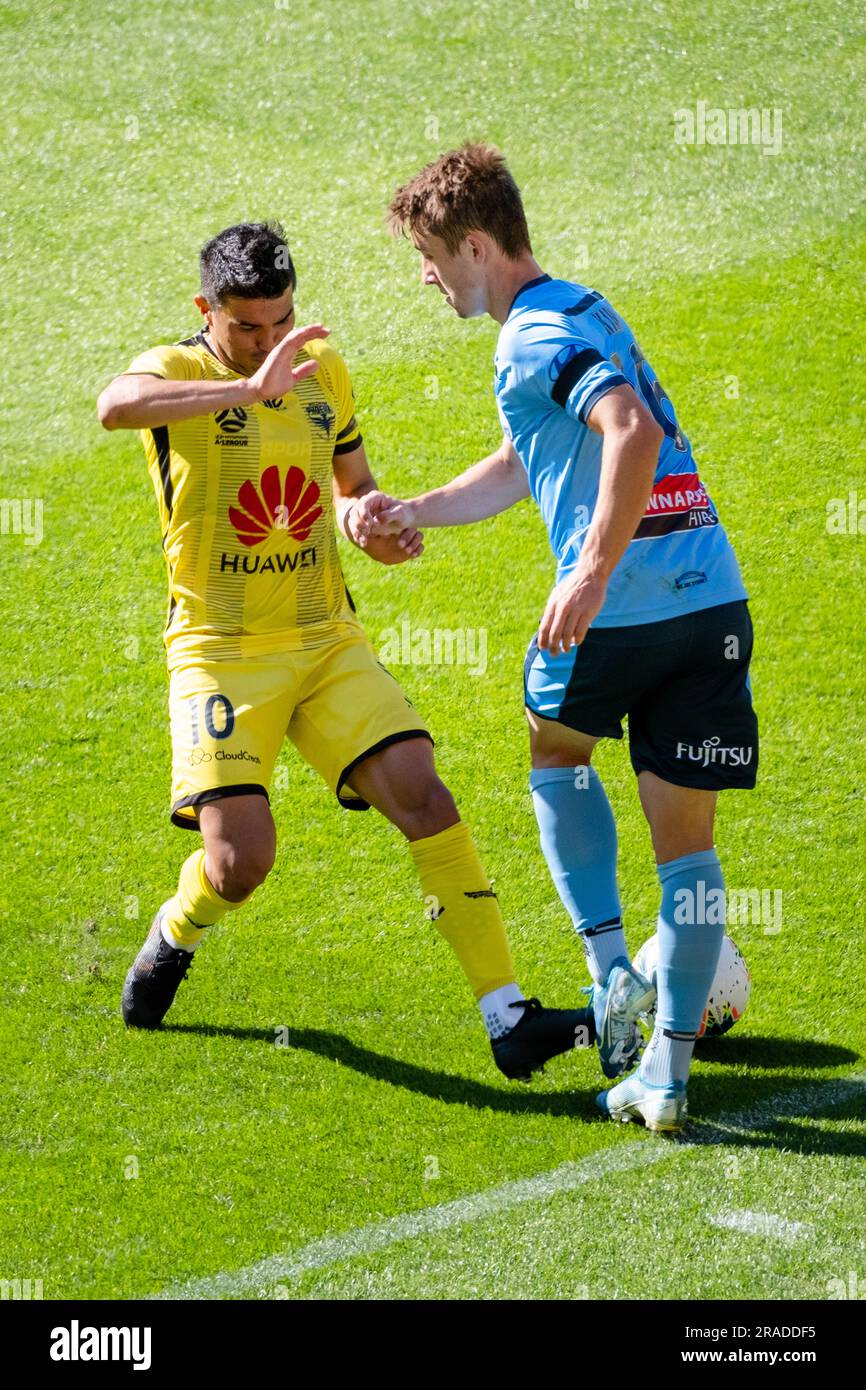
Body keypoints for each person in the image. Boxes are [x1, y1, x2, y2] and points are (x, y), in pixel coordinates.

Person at [96, 219, 604, 1083]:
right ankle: (176, 934)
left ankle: (508, 1015)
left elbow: (350, 485)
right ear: (206, 309)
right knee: (239, 861)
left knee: (424, 796)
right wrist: (247, 389)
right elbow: (114, 405)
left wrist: (373, 525)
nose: (270, 340)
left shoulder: (321, 368)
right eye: (249, 326)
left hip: (325, 637)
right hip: (221, 651)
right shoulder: (180, 372)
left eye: (281, 319)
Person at [355, 145, 759, 1132]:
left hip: (612, 610)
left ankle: (607, 972)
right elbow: (527, 457)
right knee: (687, 850)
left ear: (477, 244)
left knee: (554, 751)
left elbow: (629, 430)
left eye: (429, 255)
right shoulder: (584, 309)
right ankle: (662, 1076)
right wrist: (414, 507)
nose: (424, 275)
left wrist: (584, 573)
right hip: (707, 599)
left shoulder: (525, 337)